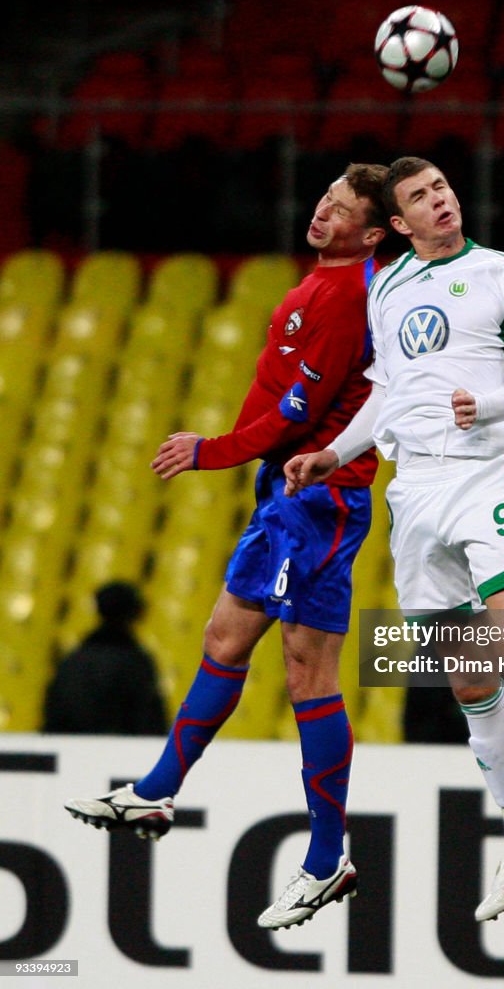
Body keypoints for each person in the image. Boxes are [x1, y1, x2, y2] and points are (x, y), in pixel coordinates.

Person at [65, 163, 389, 930]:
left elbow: (295, 409)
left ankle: (314, 851)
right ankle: (167, 796)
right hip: (293, 494)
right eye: (324, 198)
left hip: (316, 499)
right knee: (241, 644)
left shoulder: (347, 297)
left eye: (342, 210)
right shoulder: (325, 284)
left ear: (372, 234)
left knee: (296, 669)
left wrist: (212, 449)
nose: (323, 212)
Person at [285, 156, 504, 923]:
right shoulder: (388, 288)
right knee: (471, 686)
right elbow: (387, 391)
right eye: (420, 197)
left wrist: (485, 405)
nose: (439, 201)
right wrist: (334, 454)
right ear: (400, 224)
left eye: (442, 188)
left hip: (484, 477)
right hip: (412, 493)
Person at [43, 581, 166, 735]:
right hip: (121, 752)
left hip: (75, 752)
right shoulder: (135, 662)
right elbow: (149, 720)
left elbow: (54, 716)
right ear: (136, 612)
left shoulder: (74, 659)